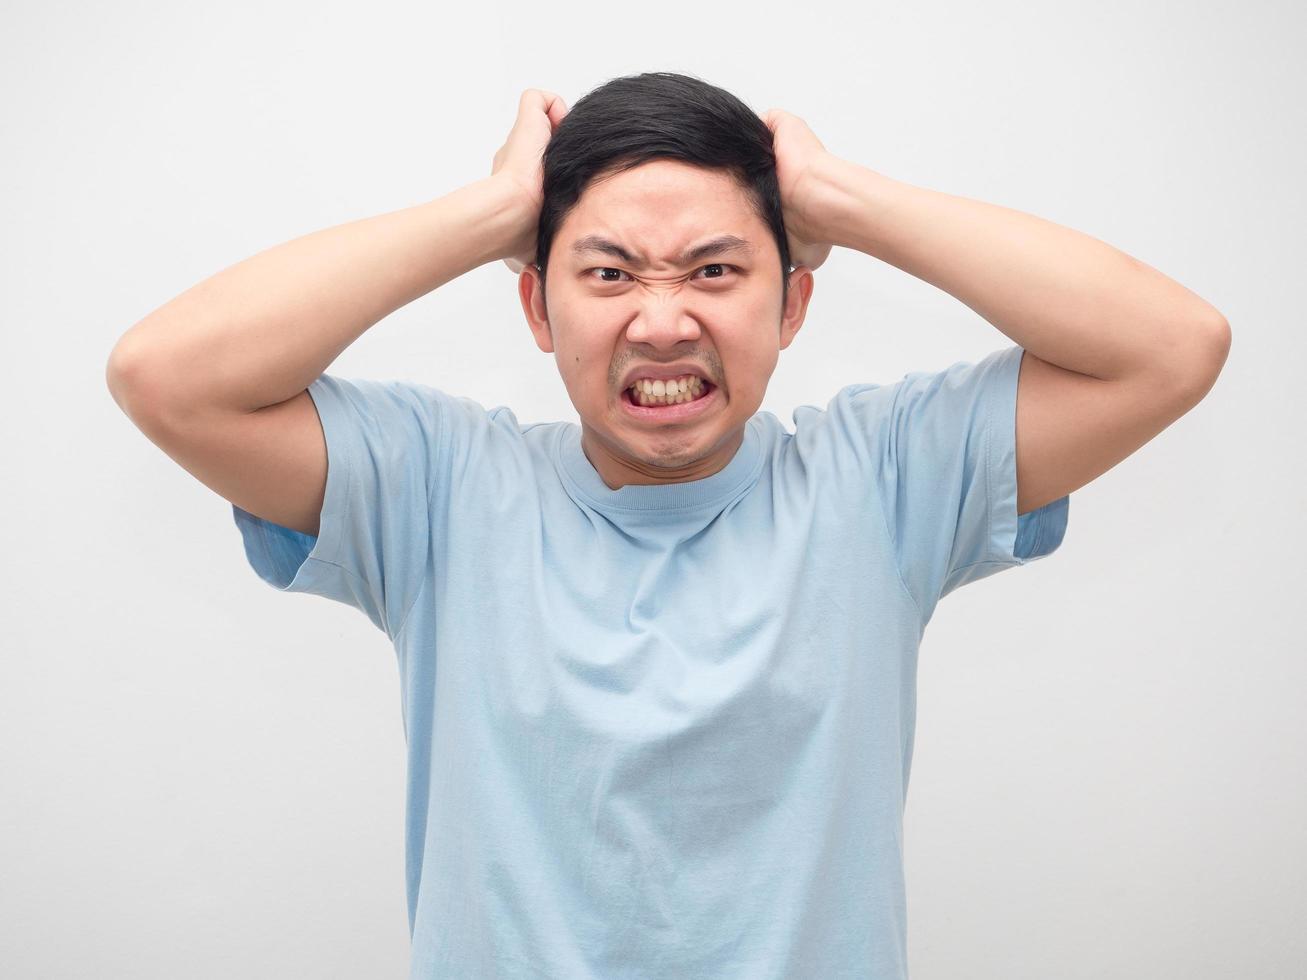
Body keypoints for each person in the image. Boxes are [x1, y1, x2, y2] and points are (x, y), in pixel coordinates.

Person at [106, 71, 1230, 979]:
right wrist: (490, 214)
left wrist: (839, 199)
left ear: (790, 304)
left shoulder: (882, 477)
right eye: (606, 272)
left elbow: (1171, 346)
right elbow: (166, 376)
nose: (660, 318)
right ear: (537, 306)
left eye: (713, 269)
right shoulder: (436, 486)